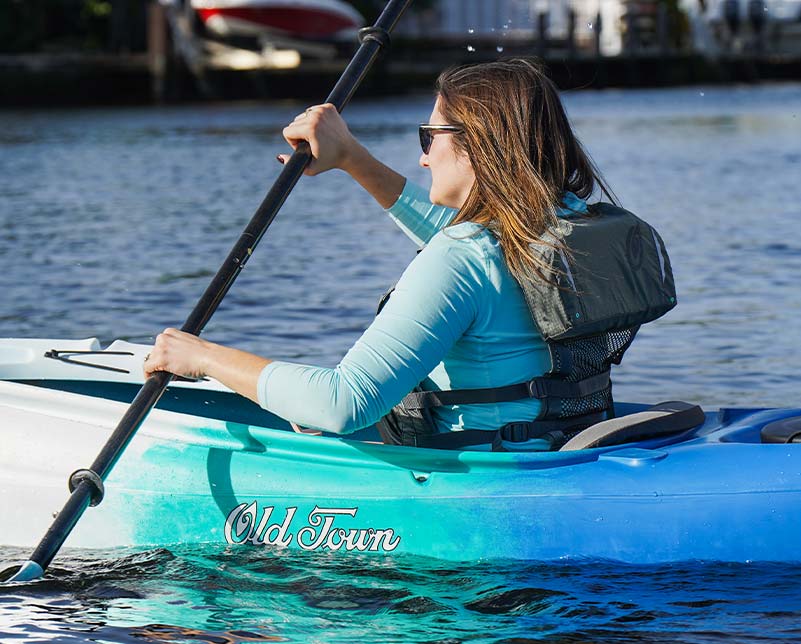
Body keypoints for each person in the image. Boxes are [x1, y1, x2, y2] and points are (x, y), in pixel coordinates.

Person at [144, 58, 675, 451]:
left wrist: (199, 357)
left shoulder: (463, 258)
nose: (422, 157)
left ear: (479, 144)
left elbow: (342, 405)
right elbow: (474, 247)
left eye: (430, 136)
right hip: (564, 444)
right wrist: (352, 159)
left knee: (318, 412)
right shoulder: (567, 221)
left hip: (488, 477)